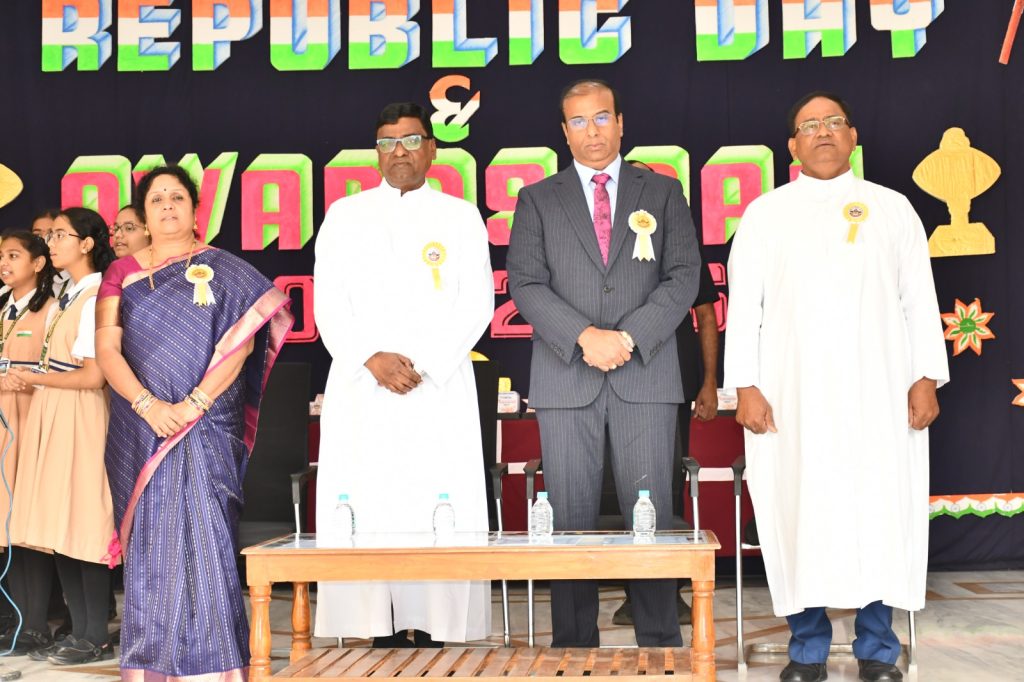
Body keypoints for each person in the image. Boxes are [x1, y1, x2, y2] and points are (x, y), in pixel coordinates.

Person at [724, 92, 948, 682]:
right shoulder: (765, 214)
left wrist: (926, 377)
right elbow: (744, 310)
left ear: (853, 137)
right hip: (792, 398)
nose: (822, 132)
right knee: (800, 512)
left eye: (833, 123)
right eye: (809, 126)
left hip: (880, 394)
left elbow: (919, 300)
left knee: (878, 511)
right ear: (792, 146)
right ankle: (808, 650)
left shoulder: (892, 208)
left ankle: (878, 649)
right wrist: (745, 385)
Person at [506, 79, 702, 647]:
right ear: (563, 132)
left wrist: (630, 337)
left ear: (620, 123)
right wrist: (585, 336)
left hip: (647, 373)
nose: (591, 131)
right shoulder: (538, 199)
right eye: (578, 121)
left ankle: (660, 642)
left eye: (600, 118)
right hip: (567, 375)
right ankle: (573, 646)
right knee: (568, 517)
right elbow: (526, 282)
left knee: (652, 512)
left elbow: (683, 275)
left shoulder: (661, 192)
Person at [95, 166, 292, 679]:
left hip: (206, 423)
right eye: (156, 198)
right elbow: (107, 350)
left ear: (195, 208)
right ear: (144, 215)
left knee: (208, 540)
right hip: (142, 427)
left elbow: (241, 345)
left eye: (177, 196)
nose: (167, 205)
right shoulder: (121, 274)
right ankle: (152, 665)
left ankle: (217, 667)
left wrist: (194, 404)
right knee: (152, 545)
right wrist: (149, 406)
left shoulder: (226, 270)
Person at [313, 102, 493, 647]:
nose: (399, 152)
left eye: (412, 140)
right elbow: (328, 303)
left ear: (432, 150)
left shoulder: (460, 216)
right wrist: (371, 359)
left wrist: (424, 365)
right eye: (388, 142)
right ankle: (377, 626)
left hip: (435, 390)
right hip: (363, 388)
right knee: (371, 501)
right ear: (376, 152)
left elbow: (476, 303)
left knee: (434, 501)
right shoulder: (345, 215)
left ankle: (435, 624)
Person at [6, 208, 117, 664]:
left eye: (60, 236)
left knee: (85, 522)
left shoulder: (96, 296)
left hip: (80, 413)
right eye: (49, 236)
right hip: (55, 408)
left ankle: (95, 634)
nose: (51, 243)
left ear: (86, 244)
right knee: (60, 525)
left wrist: (36, 378)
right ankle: (78, 630)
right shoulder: (68, 294)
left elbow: (93, 376)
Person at [612, 159, 720, 627]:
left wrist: (709, 381)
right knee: (609, 489)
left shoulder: (677, 241)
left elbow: (706, 315)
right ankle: (630, 590)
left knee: (662, 485)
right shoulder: (595, 243)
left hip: (667, 378)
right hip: (605, 378)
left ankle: (665, 592)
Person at [0, 231, 58, 655]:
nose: (4, 263)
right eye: (1, 256)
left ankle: (35, 623)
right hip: (3, 425)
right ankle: (13, 620)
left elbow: (55, 370)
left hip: (30, 419)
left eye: (13, 255)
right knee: (6, 524)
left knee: (29, 524)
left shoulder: (52, 309)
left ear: (38, 264)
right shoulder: (3, 307)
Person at [31, 208, 71, 297]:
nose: (45, 240)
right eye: (37, 235)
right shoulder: (27, 276)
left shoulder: (76, 278)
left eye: (51, 234)